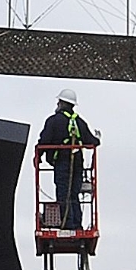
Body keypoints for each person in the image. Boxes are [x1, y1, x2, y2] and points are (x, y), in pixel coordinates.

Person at [37, 89, 99, 231]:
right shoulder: (80, 122)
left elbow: (44, 141)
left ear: (61, 103)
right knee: (74, 194)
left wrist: (38, 157)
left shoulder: (53, 121)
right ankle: (77, 225)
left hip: (63, 162)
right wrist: (97, 139)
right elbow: (92, 141)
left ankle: (67, 225)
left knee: (63, 193)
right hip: (77, 162)